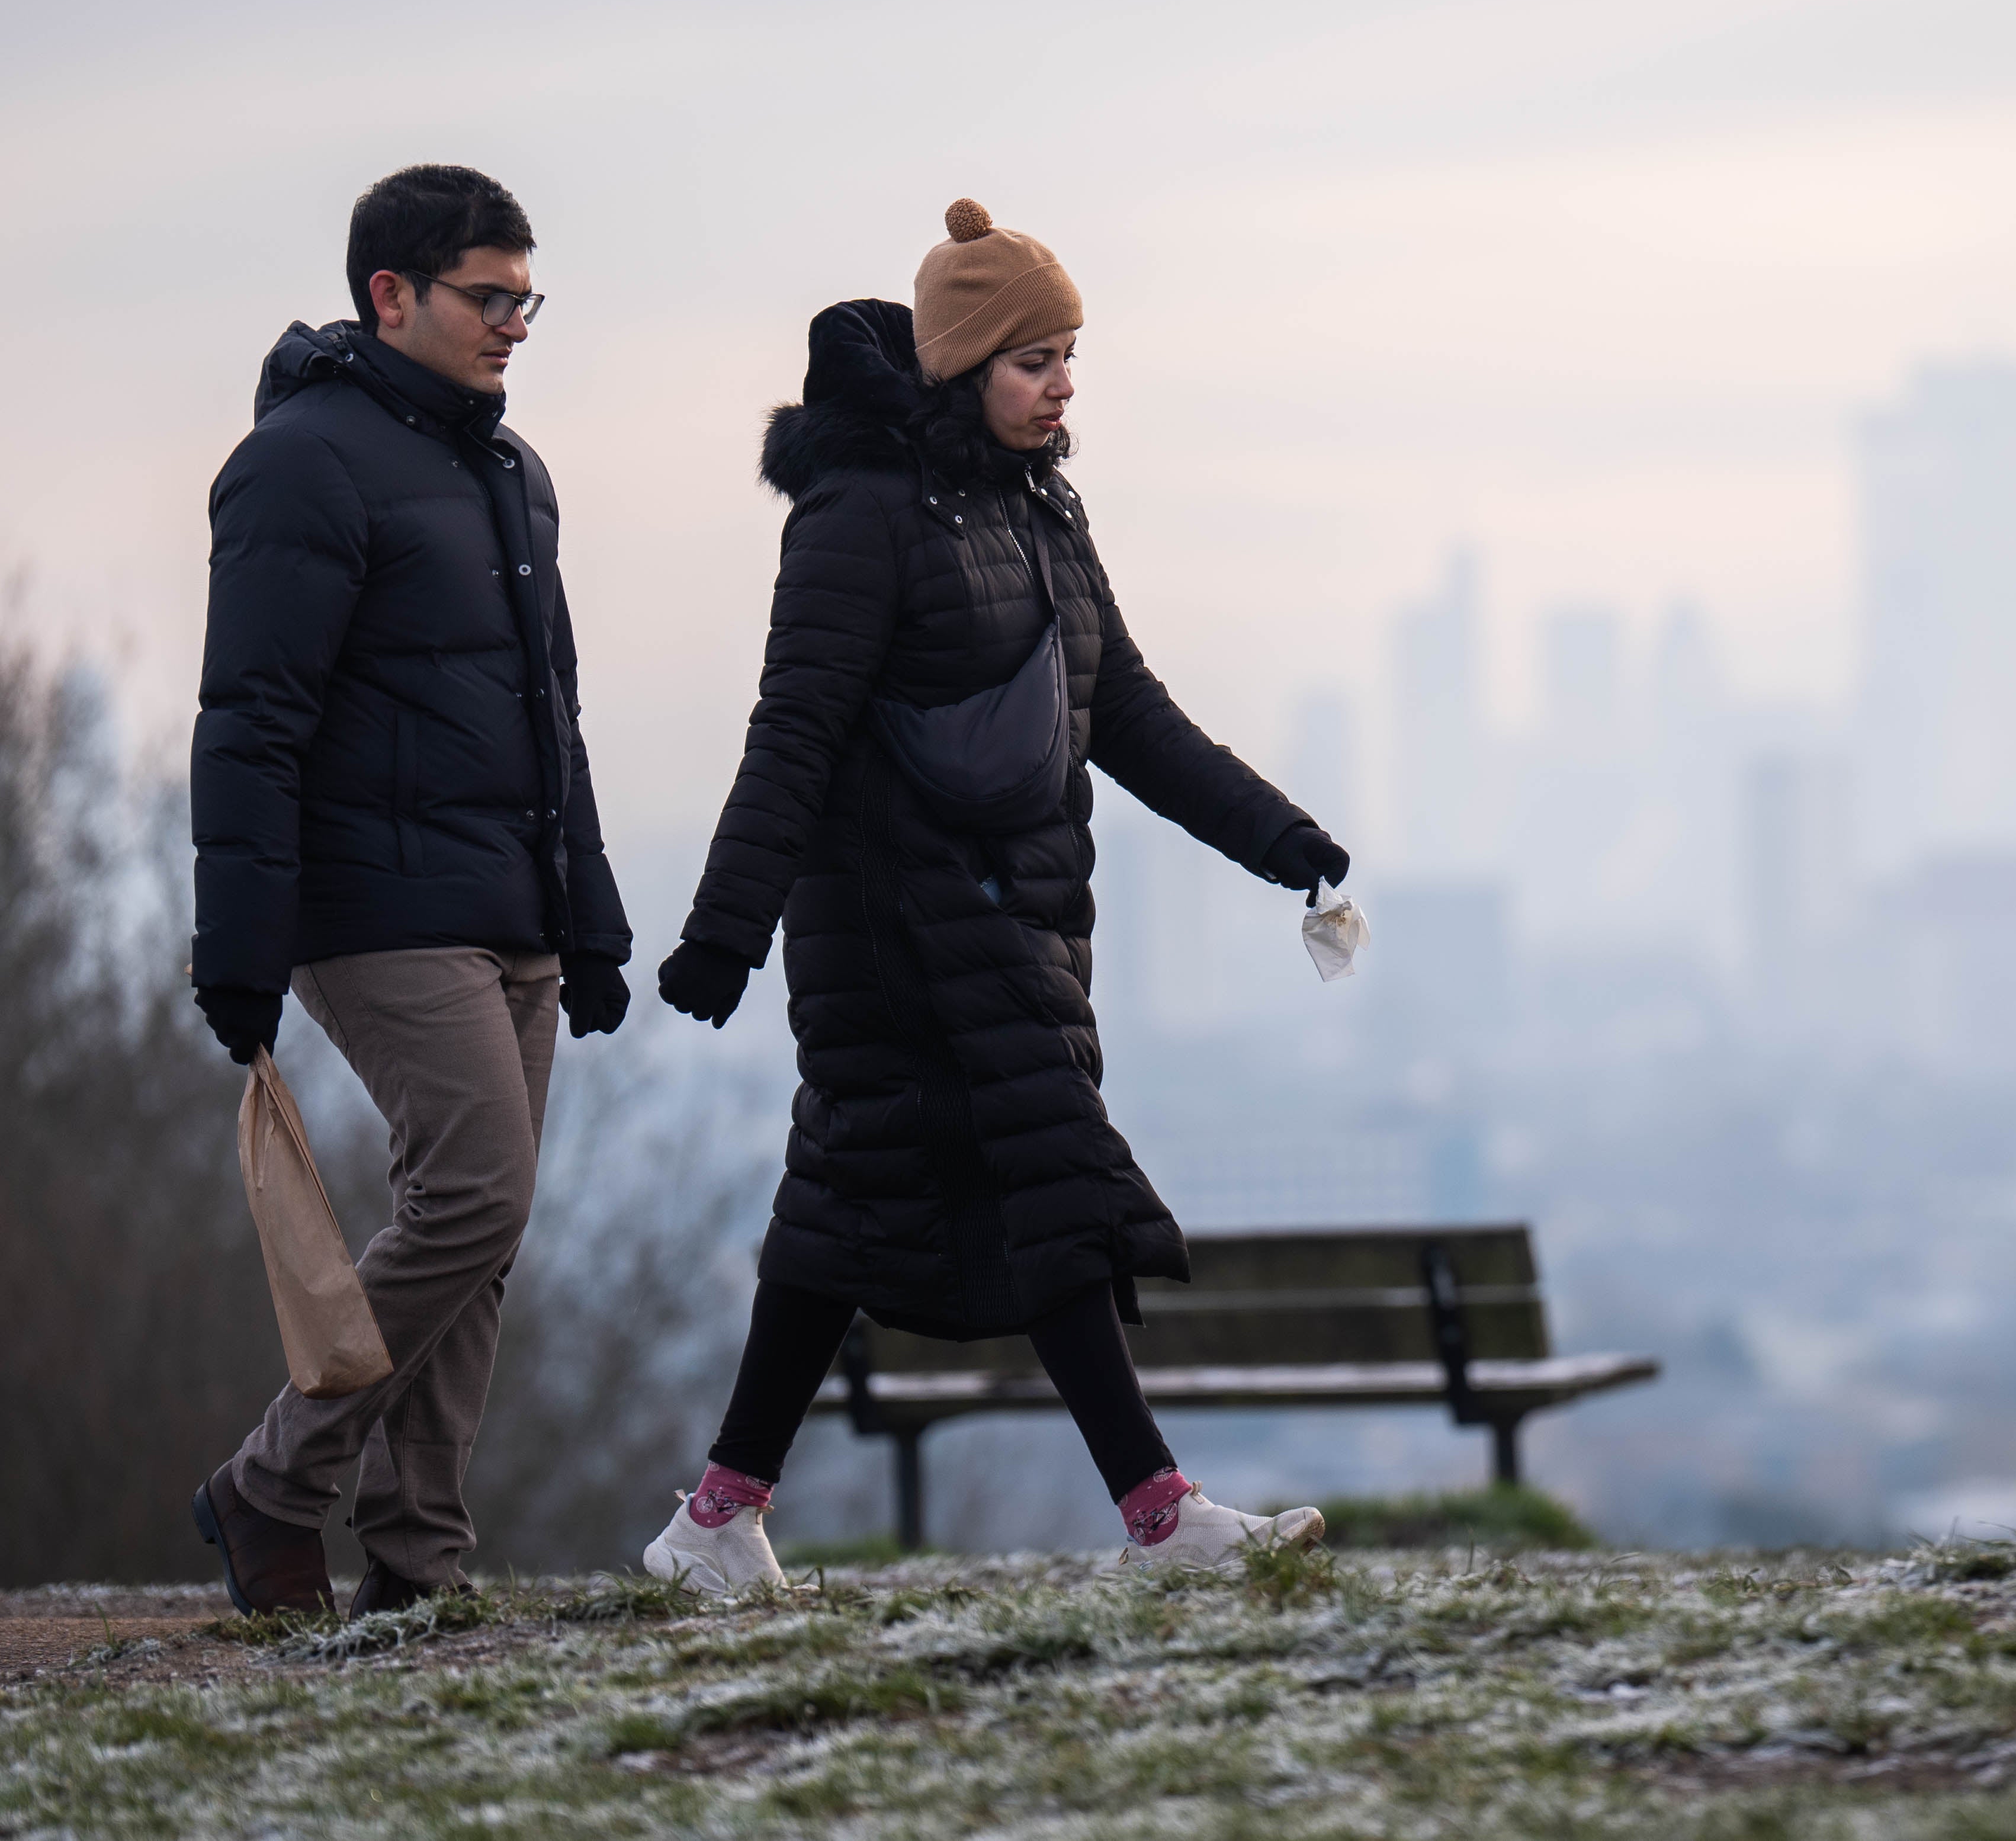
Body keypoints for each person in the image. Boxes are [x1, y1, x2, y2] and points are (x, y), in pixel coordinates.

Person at [642, 199, 1349, 1587]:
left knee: (847, 1206)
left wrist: (1282, 838)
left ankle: (713, 1523)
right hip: (898, 929)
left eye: (1071, 354)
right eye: (1034, 359)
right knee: (1056, 1183)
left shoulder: (1040, 511)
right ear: (962, 364)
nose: (1063, 383)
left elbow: (1127, 714)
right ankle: (1161, 1517)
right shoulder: (859, 519)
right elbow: (791, 728)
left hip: (1010, 916)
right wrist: (724, 931)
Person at [187, 164, 633, 1615]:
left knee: (480, 1235)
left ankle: (418, 1558)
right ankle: (273, 1482)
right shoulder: (300, 462)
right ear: (390, 294)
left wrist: (593, 912)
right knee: (478, 1191)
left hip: (509, 909)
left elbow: (547, 713)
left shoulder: (512, 470)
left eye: (527, 298)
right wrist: (241, 942)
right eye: (487, 297)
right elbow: (251, 715)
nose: (514, 324)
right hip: (371, 908)